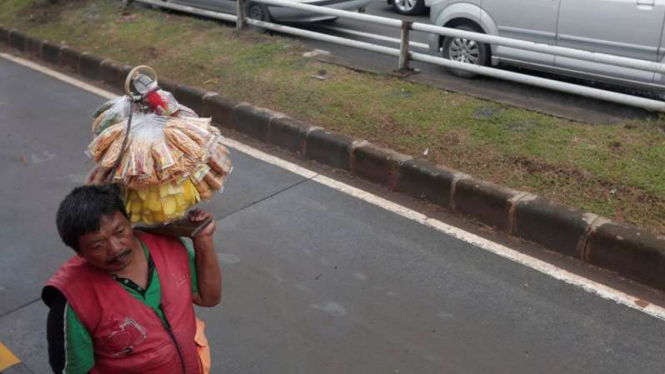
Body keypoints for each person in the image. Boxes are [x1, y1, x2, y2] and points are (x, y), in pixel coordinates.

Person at [42, 184, 221, 374]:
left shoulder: (170, 248)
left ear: (129, 222)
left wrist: (203, 239)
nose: (115, 249)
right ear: (79, 252)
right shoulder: (72, 299)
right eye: (98, 245)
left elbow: (208, 298)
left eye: (120, 232)